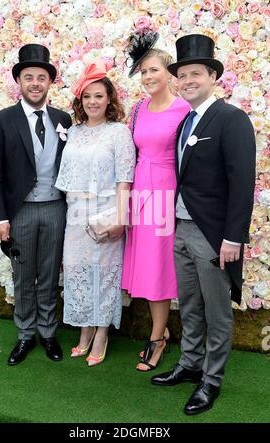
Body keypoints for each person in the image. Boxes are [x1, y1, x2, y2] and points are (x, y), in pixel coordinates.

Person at [151, 34, 256, 415]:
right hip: (181, 228)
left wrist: (232, 238)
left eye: (197, 73)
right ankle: (190, 364)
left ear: (213, 77)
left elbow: (243, 183)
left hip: (213, 236)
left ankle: (211, 381)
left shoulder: (231, 119)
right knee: (190, 305)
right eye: (183, 74)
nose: (188, 80)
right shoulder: (185, 123)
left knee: (216, 311)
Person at [0, 44, 72, 365]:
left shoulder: (63, 119)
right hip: (19, 212)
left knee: (49, 274)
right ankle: (24, 335)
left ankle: (48, 333)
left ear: (50, 83)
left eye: (41, 77)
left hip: (55, 209)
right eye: (28, 77)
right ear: (19, 82)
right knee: (23, 276)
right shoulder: (2, 120)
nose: (35, 83)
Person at [55, 60, 135, 367]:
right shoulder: (73, 133)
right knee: (77, 272)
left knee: (103, 275)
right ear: (80, 101)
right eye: (87, 96)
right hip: (76, 213)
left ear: (109, 99)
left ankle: (101, 333)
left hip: (106, 211)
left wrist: (119, 218)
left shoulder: (119, 133)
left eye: (98, 96)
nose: (93, 102)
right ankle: (84, 330)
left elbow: (124, 178)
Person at [122, 31, 190, 371]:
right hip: (140, 194)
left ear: (170, 74)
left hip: (167, 194)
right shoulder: (137, 109)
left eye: (154, 70)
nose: (148, 77)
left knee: (159, 268)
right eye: (143, 71)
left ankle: (158, 336)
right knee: (146, 267)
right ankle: (159, 334)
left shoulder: (183, 110)